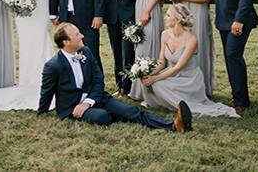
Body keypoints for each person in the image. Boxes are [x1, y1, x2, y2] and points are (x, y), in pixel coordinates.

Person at [38, 23, 192, 133]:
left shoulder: (86, 52)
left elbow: (98, 81)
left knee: (132, 111)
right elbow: (46, 92)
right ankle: (114, 114)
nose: (82, 35)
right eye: (77, 34)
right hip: (73, 107)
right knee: (103, 117)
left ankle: (173, 125)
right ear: (66, 42)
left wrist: (88, 102)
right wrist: (41, 113)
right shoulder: (53, 66)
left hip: (96, 98)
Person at [141, 4, 239, 117]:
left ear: (177, 19)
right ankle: (171, 102)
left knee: (157, 84)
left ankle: (182, 105)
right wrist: (149, 73)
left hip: (189, 80)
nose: (164, 18)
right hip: (171, 75)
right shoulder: (165, 34)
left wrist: (155, 78)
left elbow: (178, 68)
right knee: (148, 82)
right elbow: (161, 62)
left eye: (168, 15)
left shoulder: (191, 39)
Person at [129, 0, 167, 102]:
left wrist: (146, 11)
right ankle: (139, 90)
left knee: (147, 44)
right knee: (141, 44)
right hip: (143, 5)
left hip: (148, 8)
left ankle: (150, 90)